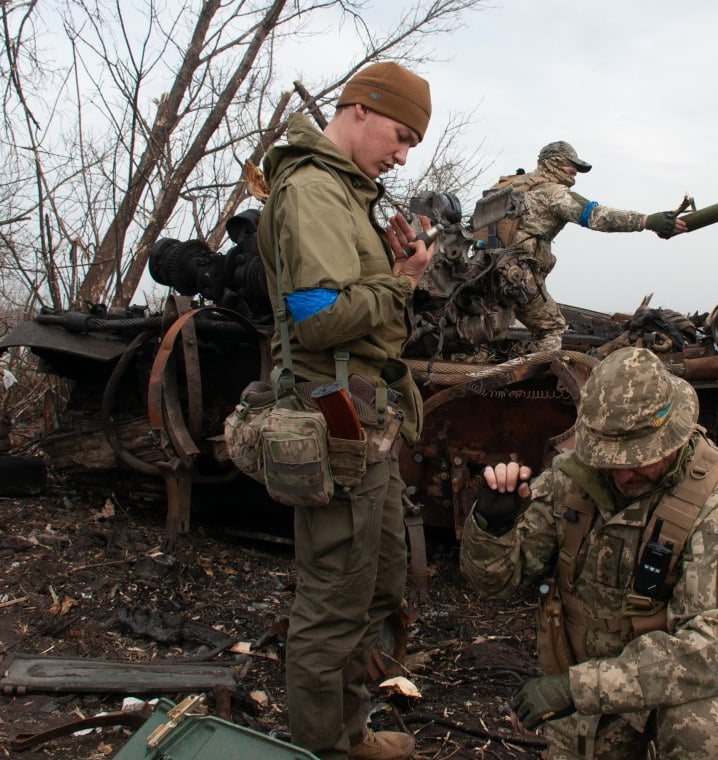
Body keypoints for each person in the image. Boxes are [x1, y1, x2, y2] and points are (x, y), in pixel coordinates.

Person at [256, 61, 437, 760]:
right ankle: (326, 750)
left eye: (412, 144)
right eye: (400, 135)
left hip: (368, 419)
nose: (402, 154)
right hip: (334, 419)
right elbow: (319, 318)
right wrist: (401, 283)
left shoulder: (348, 193)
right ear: (359, 110)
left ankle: (350, 730)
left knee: (380, 580)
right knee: (334, 600)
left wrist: (392, 273)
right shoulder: (312, 191)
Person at [459, 346, 718, 759]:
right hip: (587, 705)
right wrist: (491, 527)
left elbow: (716, 649)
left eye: (639, 459)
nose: (623, 474)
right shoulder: (572, 484)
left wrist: (578, 688)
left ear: (672, 437)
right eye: (610, 458)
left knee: (702, 732)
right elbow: (493, 586)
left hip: (666, 697)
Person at [486, 142, 688, 351]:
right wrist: (647, 221)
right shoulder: (553, 193)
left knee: (485, 335)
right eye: (570, 164)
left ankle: (480, 362)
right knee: (551, 327)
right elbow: (597, 216)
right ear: (552, 162)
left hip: (485, 274)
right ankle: (531, 374)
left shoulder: (509, 185)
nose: (576, 172)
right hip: (517, 278)